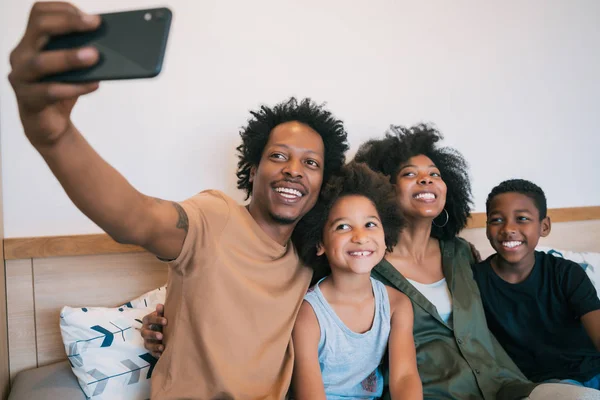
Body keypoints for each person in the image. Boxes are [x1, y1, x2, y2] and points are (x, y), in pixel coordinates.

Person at [7, 3, 349, 399]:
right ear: (252, 170)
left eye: (311, 163)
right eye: (278, 155)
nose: (294, 169)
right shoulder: (215, 216)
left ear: (323, 183)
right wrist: (54, 135)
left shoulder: (311, 252)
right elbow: (135, 218)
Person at [353, 125, 599, 399]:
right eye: (410, 174)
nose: (426, 180)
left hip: (506, 387)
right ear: (382, 188)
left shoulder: (461, 253)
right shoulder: (365, 264)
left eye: (434, 174)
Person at [290, 162, 421, 399]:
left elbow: (404, 377)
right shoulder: (308, 315)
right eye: (343, 227)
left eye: (370, 224)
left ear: (385, 235)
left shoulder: (397, 305)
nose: (360, 237)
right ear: (320, 243)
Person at [471, 179, 600, 389]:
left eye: (522, 218)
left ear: (544, 226)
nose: (508, 228)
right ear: (486, 228)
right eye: (496, 220)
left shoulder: (566, 273)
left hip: (593, 371)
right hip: (541, 385)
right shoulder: (475, 280)